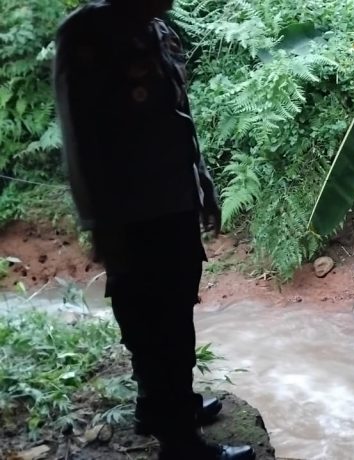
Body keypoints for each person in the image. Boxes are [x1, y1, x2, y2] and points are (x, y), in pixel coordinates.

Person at [53, 1, 253, 459]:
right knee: (154, 323)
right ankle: (180, 444)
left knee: (176, 312)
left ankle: (163, 406)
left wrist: (203, 185)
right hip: (132, 214)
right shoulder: (88, 34)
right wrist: (101, 224)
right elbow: (80, 141)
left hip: (172, 202)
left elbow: (177, 119)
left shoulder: (157, 29)